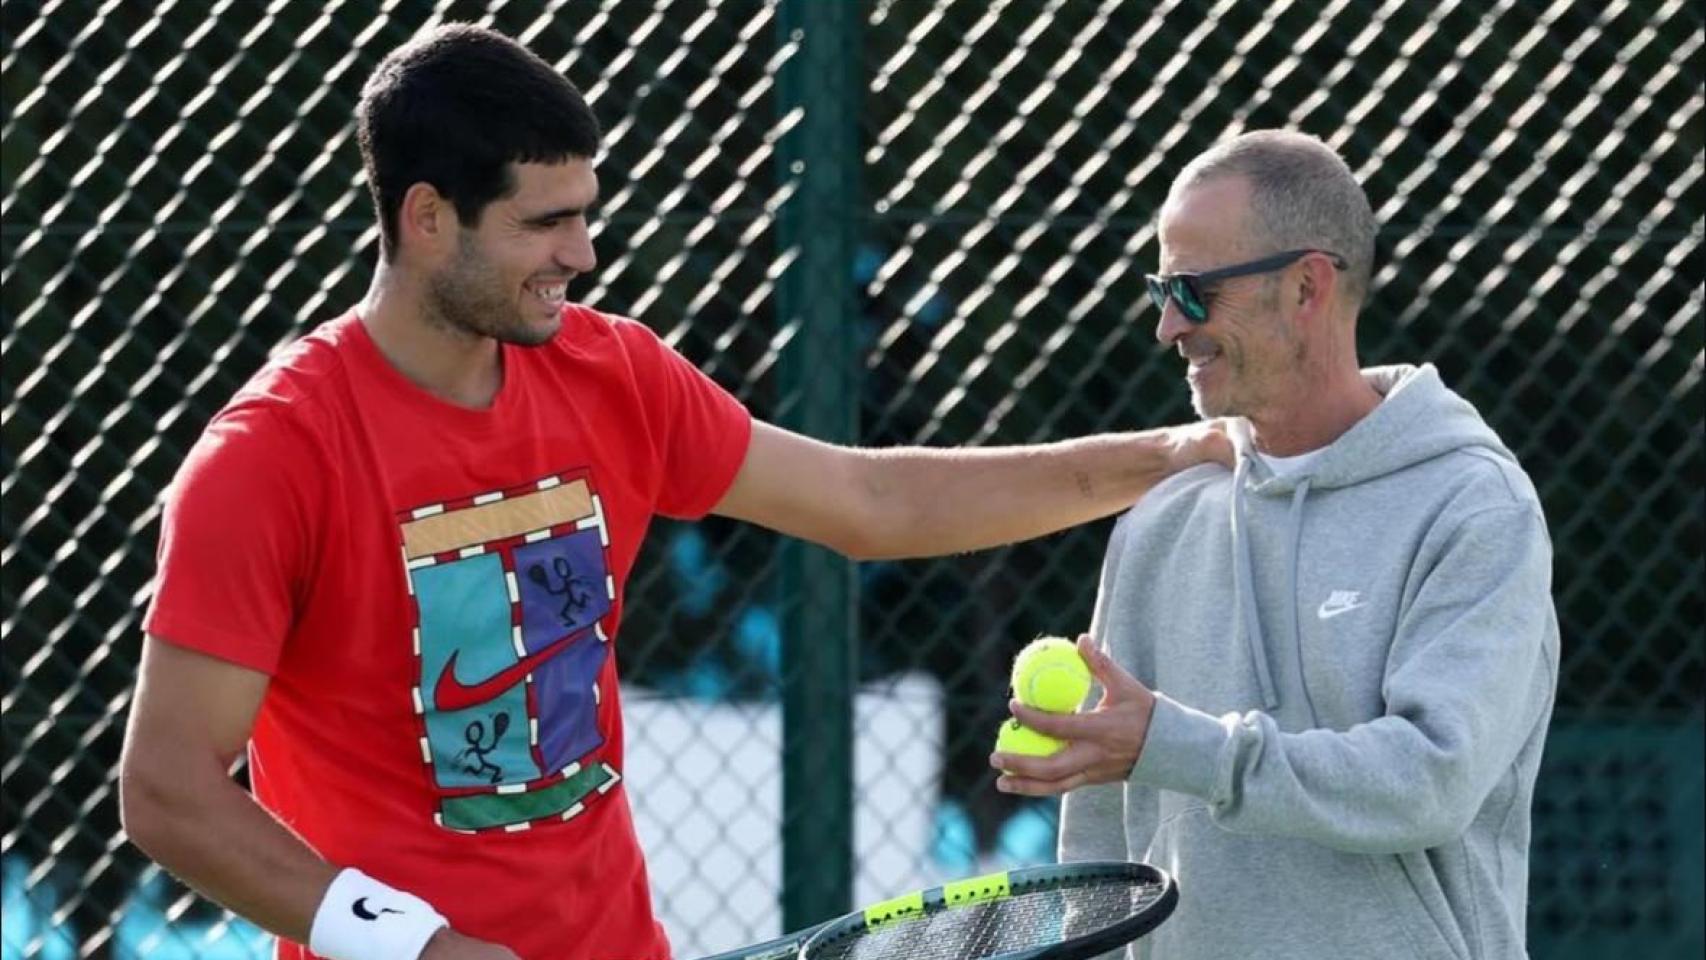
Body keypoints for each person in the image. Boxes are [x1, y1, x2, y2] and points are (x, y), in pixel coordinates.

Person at [116, 24, 1229, 960]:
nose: (582, 252)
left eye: (585, 212)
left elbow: (869, 504)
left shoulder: (615, 376)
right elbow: (167, 788)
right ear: (425, 219)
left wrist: (1161, 456)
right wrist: (411, 942)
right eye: (543, 222)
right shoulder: (272, 455)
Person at [992, 130, 1559, 959]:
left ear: (1306, 286)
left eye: (1192, 291)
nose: (1165, 327)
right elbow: (1103, 849)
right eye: (1161, 288)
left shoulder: (1474, 506)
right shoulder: (1161, 518)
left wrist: (1182, 747)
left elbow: (1429, 782)